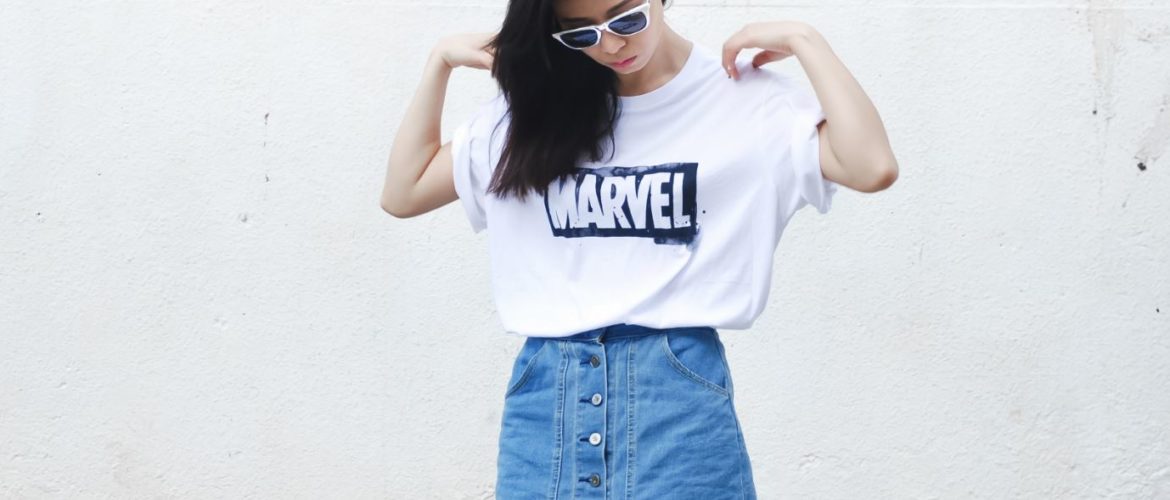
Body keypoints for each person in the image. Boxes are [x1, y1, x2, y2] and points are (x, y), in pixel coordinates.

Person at [381, 0, 897, 497]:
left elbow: (872, 166)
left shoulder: (742, 100)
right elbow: (404, 192)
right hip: (545, 404)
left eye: (625, 18)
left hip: (676, 398)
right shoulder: (533, 117)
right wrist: (439, 63)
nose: (610, 45)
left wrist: (806, 40)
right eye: (581, 33)